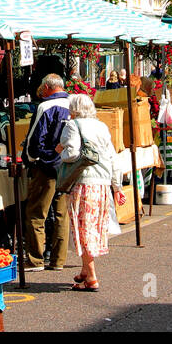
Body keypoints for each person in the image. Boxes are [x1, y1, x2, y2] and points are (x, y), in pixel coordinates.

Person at [57, 94, 126, 292]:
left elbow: (71, 154)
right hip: (102, 184)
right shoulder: (102, 126)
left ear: (74, 109)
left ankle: (92, 276)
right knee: (93, 228)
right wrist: (117, 187)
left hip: (83, 183)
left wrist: (59, 150)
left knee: (83, 229)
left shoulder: (72, 126)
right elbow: (112, 158)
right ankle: (84, 271)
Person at [20, 74, 72, 271]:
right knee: (61, 213)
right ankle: (58, 260)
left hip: (47, 165)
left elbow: (35, 139)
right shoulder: (72, 104)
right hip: (66, 166)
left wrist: (31, 158)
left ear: (48, 87)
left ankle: (35, 259)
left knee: (36, 213)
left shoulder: (45, 107)